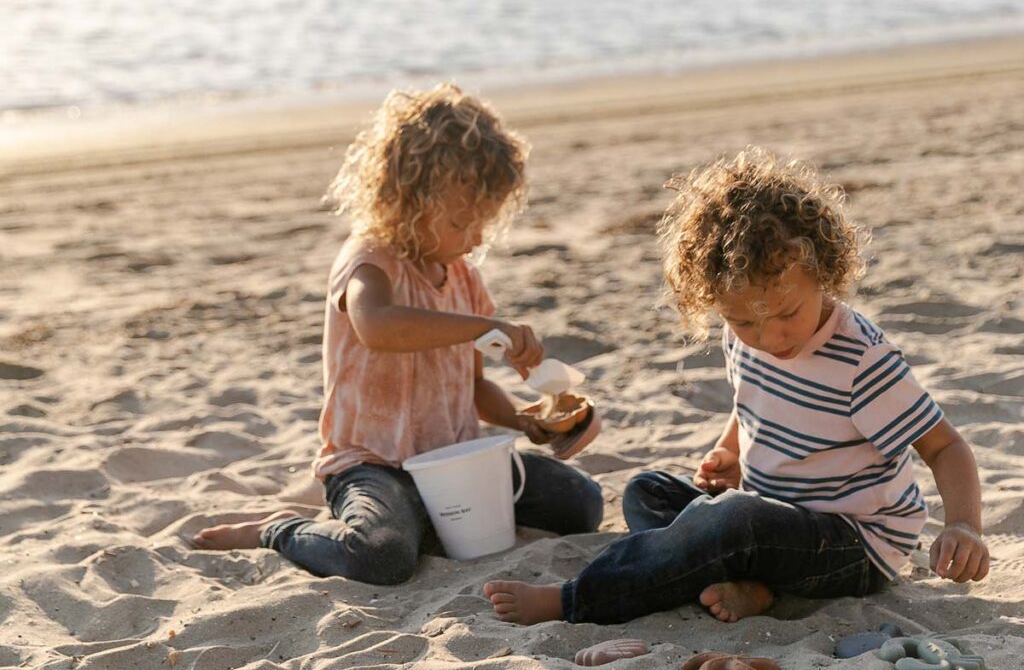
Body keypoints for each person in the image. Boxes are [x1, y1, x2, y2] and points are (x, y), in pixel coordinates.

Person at [484, 147, 989, 625]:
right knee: (648, 493)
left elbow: (945, 447)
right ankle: (755, 585)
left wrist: (963, 525)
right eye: (745, 322)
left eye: (788, 313)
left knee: (727, 523)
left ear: (824, 273)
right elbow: (751, 400)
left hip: (852, 546)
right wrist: (731, 452)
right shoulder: (744, 334)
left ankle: (576, 598)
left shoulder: (863, 361)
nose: (770, 338)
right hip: (769, 519)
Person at [193, 83, 603, 584]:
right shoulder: (369, 260)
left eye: (485, 225)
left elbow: (473, 387)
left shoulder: (464, 279)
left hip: (454, 460)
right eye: (460, 222)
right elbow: (377, 326)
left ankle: (427, 524)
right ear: (406, 200)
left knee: (581, 504)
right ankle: (281, 530)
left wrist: (526, 423)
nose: (475, 239)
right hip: (373, 464)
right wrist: (487, 326)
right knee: (380, 556)